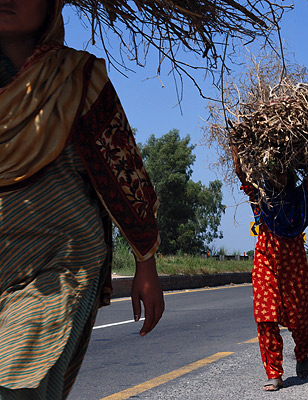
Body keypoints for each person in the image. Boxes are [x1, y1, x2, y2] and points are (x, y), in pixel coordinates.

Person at [0, 0, 164, 398]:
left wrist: (146, 262)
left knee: (18, 383)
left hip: (60, 264)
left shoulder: (78, 77)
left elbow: (123, 169)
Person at [232, 140, 308, 392]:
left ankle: (302, 353)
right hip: (266, 262)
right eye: (274, 172)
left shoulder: (300, 196)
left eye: (283, 172)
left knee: (301, 321)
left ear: (290, 174)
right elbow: (241, 173)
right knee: (265, 319)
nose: (279, 177)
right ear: (267, 174)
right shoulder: (260, 197)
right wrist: (235, 144)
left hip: (293, 263)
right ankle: (274, 373)